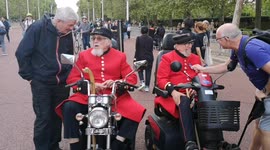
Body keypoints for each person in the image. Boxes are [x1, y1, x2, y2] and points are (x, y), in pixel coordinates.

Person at [55, 27, 146, 150]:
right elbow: (72, 79)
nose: (95, 41)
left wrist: (117, 82)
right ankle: (75, 144)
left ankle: (118, 143)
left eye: (100, 39)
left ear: (108, 41)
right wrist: (89, 84)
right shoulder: (83, 55)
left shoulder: (120, 56)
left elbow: (131, 79)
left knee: (136, 110)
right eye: (93, 39)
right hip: (87, 96)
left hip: (114, 97)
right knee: (69, 107)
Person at [191, 23, 270, 150]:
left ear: (226, 39)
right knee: (258, 123)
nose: (218, 42)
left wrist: (265, 91)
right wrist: (203, 69)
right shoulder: (239, 48)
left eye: (218, 39)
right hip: (265, 91)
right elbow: (227, 66)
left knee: (266, 129)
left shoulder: (252, 49)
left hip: (268, 93)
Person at [15, 7, 78, 150]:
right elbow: (22, 53)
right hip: (41, 83)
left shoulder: (66, 32)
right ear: (59, 21)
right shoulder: (37, 28)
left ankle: (54, 146)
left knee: (57, 116)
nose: (72, 28)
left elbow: (69, 55)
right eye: (70, 25)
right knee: (44, 118)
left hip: (61, 83)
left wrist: (68, 75)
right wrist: (29, 77)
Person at [154, 33, 201, 150]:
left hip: (194, 93)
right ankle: (189, 142)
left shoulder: (195, 58)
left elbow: (201, 75)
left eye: (191, 43)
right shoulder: (167, 57)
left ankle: (215, 140)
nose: (190, 46)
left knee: (209, 99)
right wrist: (173, 91)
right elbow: (161, 80)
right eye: (187, 44)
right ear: (177, 46)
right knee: (183, 100)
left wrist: (197, 88)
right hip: (172, 96)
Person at [134, 26, 154, 92]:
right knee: (148, 71)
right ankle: (147, 86)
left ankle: (142, 81)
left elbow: (137, 49)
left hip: (140, 56)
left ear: (141, 31)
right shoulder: (151, 38)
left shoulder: (138, 38)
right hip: (149, 57)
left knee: (140, 70)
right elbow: (151, 48)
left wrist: (135, 57)